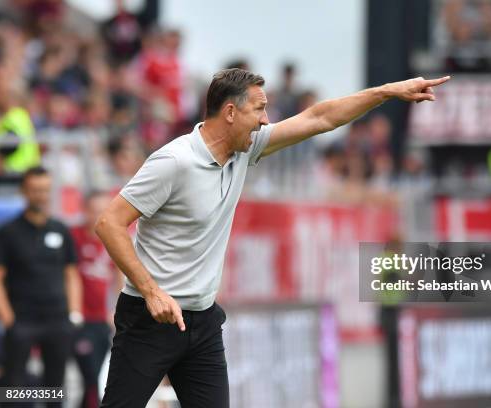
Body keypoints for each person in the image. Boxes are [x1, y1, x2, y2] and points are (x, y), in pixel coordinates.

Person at [95, 68, 450, 407]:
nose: (266, 120)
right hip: (150, 319)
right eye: (260, 109)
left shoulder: (244, 148)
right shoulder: (173, 162)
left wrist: (386, 92)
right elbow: (109, 223)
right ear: (231, 112)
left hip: (202, 322)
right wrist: (152, 292)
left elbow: (319, 119)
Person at [0, 167, 82, 403]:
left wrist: (74, 313)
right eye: (35, 190)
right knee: (12, 387)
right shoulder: (8, 233)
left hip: (57, 319)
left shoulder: (59, 229)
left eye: (44, 190)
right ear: (24, 191)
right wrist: (9, 320)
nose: (40, 195)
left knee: (56, 386)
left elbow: (71, 273)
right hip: (22, 319)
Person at [71, 191, 122, 408]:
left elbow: (120, 274)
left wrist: (115, 310)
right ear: (84, 210)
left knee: (92, 378)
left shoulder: (112, 239)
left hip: (100, 320)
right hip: (77, 320)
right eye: (94, 209)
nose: (99, 215)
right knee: (89, 376)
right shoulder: (72, 236)